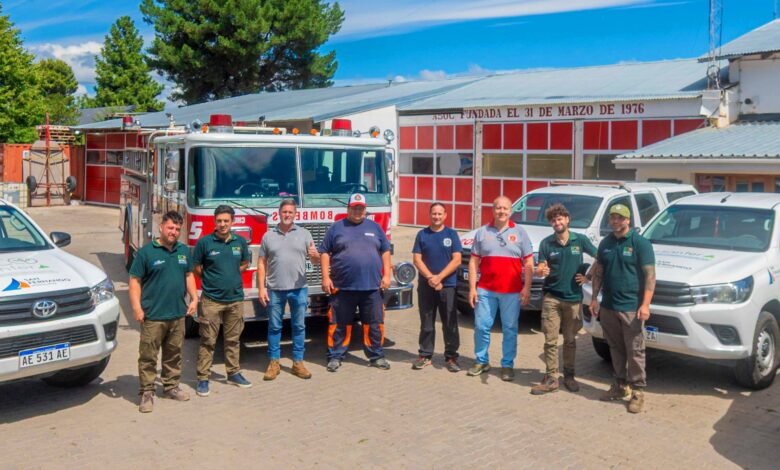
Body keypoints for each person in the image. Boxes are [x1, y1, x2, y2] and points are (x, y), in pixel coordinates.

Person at [589, 203, 656, 414]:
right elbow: (599, 271)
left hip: (631, 308)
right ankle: (620, 385)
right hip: (609, 306)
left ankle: (638, 391)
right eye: (613, 218)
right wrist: (594, 299)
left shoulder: (641, 243)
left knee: (635, 350)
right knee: (615, 348)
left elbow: (650, 276)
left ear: (628, 220)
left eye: (620, 218)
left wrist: (645, 304)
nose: (615, 221)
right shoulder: (606, 243)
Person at [129, 211, 198, 413]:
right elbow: (134, 281)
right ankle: (147, 392)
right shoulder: (146, 252)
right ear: (161, 227)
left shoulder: (183, 251)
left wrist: (194, 298)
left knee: (174, 354)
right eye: (170, 228)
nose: (173, 232)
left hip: (177, 314)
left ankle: (171, 387)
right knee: (148, 356)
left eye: (177, 229)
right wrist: (137, 308)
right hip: (153, 316)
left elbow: (189, 275)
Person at [319, 193, 392, 372]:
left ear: (365, 209)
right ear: (348, 209)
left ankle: (376, 356)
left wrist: (387, 275)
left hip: (372, 287)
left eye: (361, 208)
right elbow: (324, 252)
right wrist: (325, 277)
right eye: (354, 208)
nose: (357, 211)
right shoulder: (336, 228)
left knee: (374, 324)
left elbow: (385, 251)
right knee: (339, 324)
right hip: (342, 287)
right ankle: (335, 356)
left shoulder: (375, 227)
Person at [530, 203, 597, 395]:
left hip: (573, 299)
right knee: (550, 341)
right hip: (552, 297)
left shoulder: (579, 240)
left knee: (569, 341)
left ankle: (569, 376)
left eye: (559, 219)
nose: (557, 222)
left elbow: (600, 257)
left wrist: (588, 277)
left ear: (567, 220)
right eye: (553, 220)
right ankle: (552, 378)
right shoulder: (546, 243)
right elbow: (541, 266)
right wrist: (541, 270)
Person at [467, 196, 534, 381]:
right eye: (498, 208)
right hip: (485, 290)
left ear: (511, 211)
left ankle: (507, 365)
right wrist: (472, 288)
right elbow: (473, 262)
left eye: (505, 208)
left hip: (512, 292)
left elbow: (528, 262)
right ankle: (481, 361)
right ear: (493, 210)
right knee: (481, 326)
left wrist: (527, 287)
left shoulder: (520, 233)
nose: (501, 211)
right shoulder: (482, 232)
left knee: (510, 328)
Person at [257, 199, 320, 380]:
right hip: (275, 289)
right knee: (274, 327)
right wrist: (261, 288)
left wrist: (316, 257)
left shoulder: (305, 234)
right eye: (284, 212)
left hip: (299, 289)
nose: (287, 215)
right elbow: (261, 263)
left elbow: (315, 260)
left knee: (299, 326)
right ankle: (274, 363)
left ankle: (298, 363)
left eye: (290, 212)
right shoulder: (268, 236)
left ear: (295, 214)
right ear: (279, 213)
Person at [192, 205, 252, 397]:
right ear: (214, 222)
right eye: (219, 221)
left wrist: (231, 274)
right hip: (211, 300)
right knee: (208, 340)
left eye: (226, 221)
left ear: (232, 222)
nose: (223, 224)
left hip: (235, 299)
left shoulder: (240, 242)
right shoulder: (205, 243)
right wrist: (211, 280)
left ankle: (233, 373)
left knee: (233, 339)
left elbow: (245, 263)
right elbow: (196, 267)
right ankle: (203, 378)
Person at [412, 202, 463, 372]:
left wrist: (439, 277)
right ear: (429, 215)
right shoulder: (422, 234)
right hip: (426, 286)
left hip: (447, 286)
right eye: (434, 213)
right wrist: (430, 278)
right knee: (427, 322)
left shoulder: (452, 234)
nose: (437, 217)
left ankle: (451, 357)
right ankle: (425, 355)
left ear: (445, 215)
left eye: (440, 214)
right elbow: (417, 259)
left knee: (450, 322)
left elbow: (457, 259)